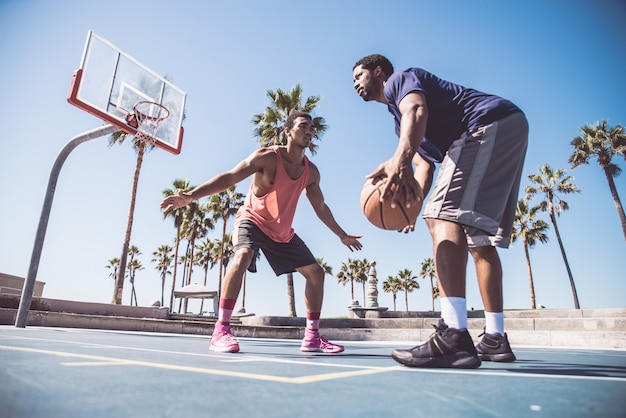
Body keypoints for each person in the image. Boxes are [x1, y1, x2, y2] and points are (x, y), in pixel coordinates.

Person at [352, 54, 528, 368]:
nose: (355, 84)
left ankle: (453, 336)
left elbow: (416, 110)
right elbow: (424, 165)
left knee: (442, 216)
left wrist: (398, 161)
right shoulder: (399, 123)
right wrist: (412, 202)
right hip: (505, 125)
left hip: (483, 125)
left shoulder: (399, 81)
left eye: (359, 76)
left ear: (378, 72)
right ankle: (495, 337)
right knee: (478, 239)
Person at [160, 111, 363, 354]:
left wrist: (341, 234)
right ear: (288, 131)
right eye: (303, 126)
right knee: (244, 254)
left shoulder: (311, 172)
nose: (309, 131)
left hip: (281, 232)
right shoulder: (267, 158)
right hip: (252, 220)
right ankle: (221, 330)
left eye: (312, 127)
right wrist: (191, 196)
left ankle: (312, 338)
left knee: (316, 274)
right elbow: (230, 177)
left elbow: (320, 207)